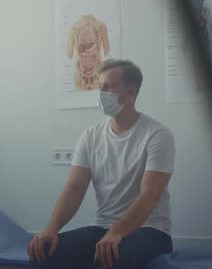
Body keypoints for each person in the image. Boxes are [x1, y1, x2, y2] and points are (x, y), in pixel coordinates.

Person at [27, 59, 174, 269]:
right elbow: (74, 188)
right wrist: (51, 229)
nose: (101, 93)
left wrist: (116, 233)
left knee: (112, 258)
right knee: (42, 253)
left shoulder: (157, 135)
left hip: (151, 230)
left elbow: (149, 196)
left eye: (109, 86)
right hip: (102, 227)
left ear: (130, 92)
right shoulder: (90, 136)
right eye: (100, 86)